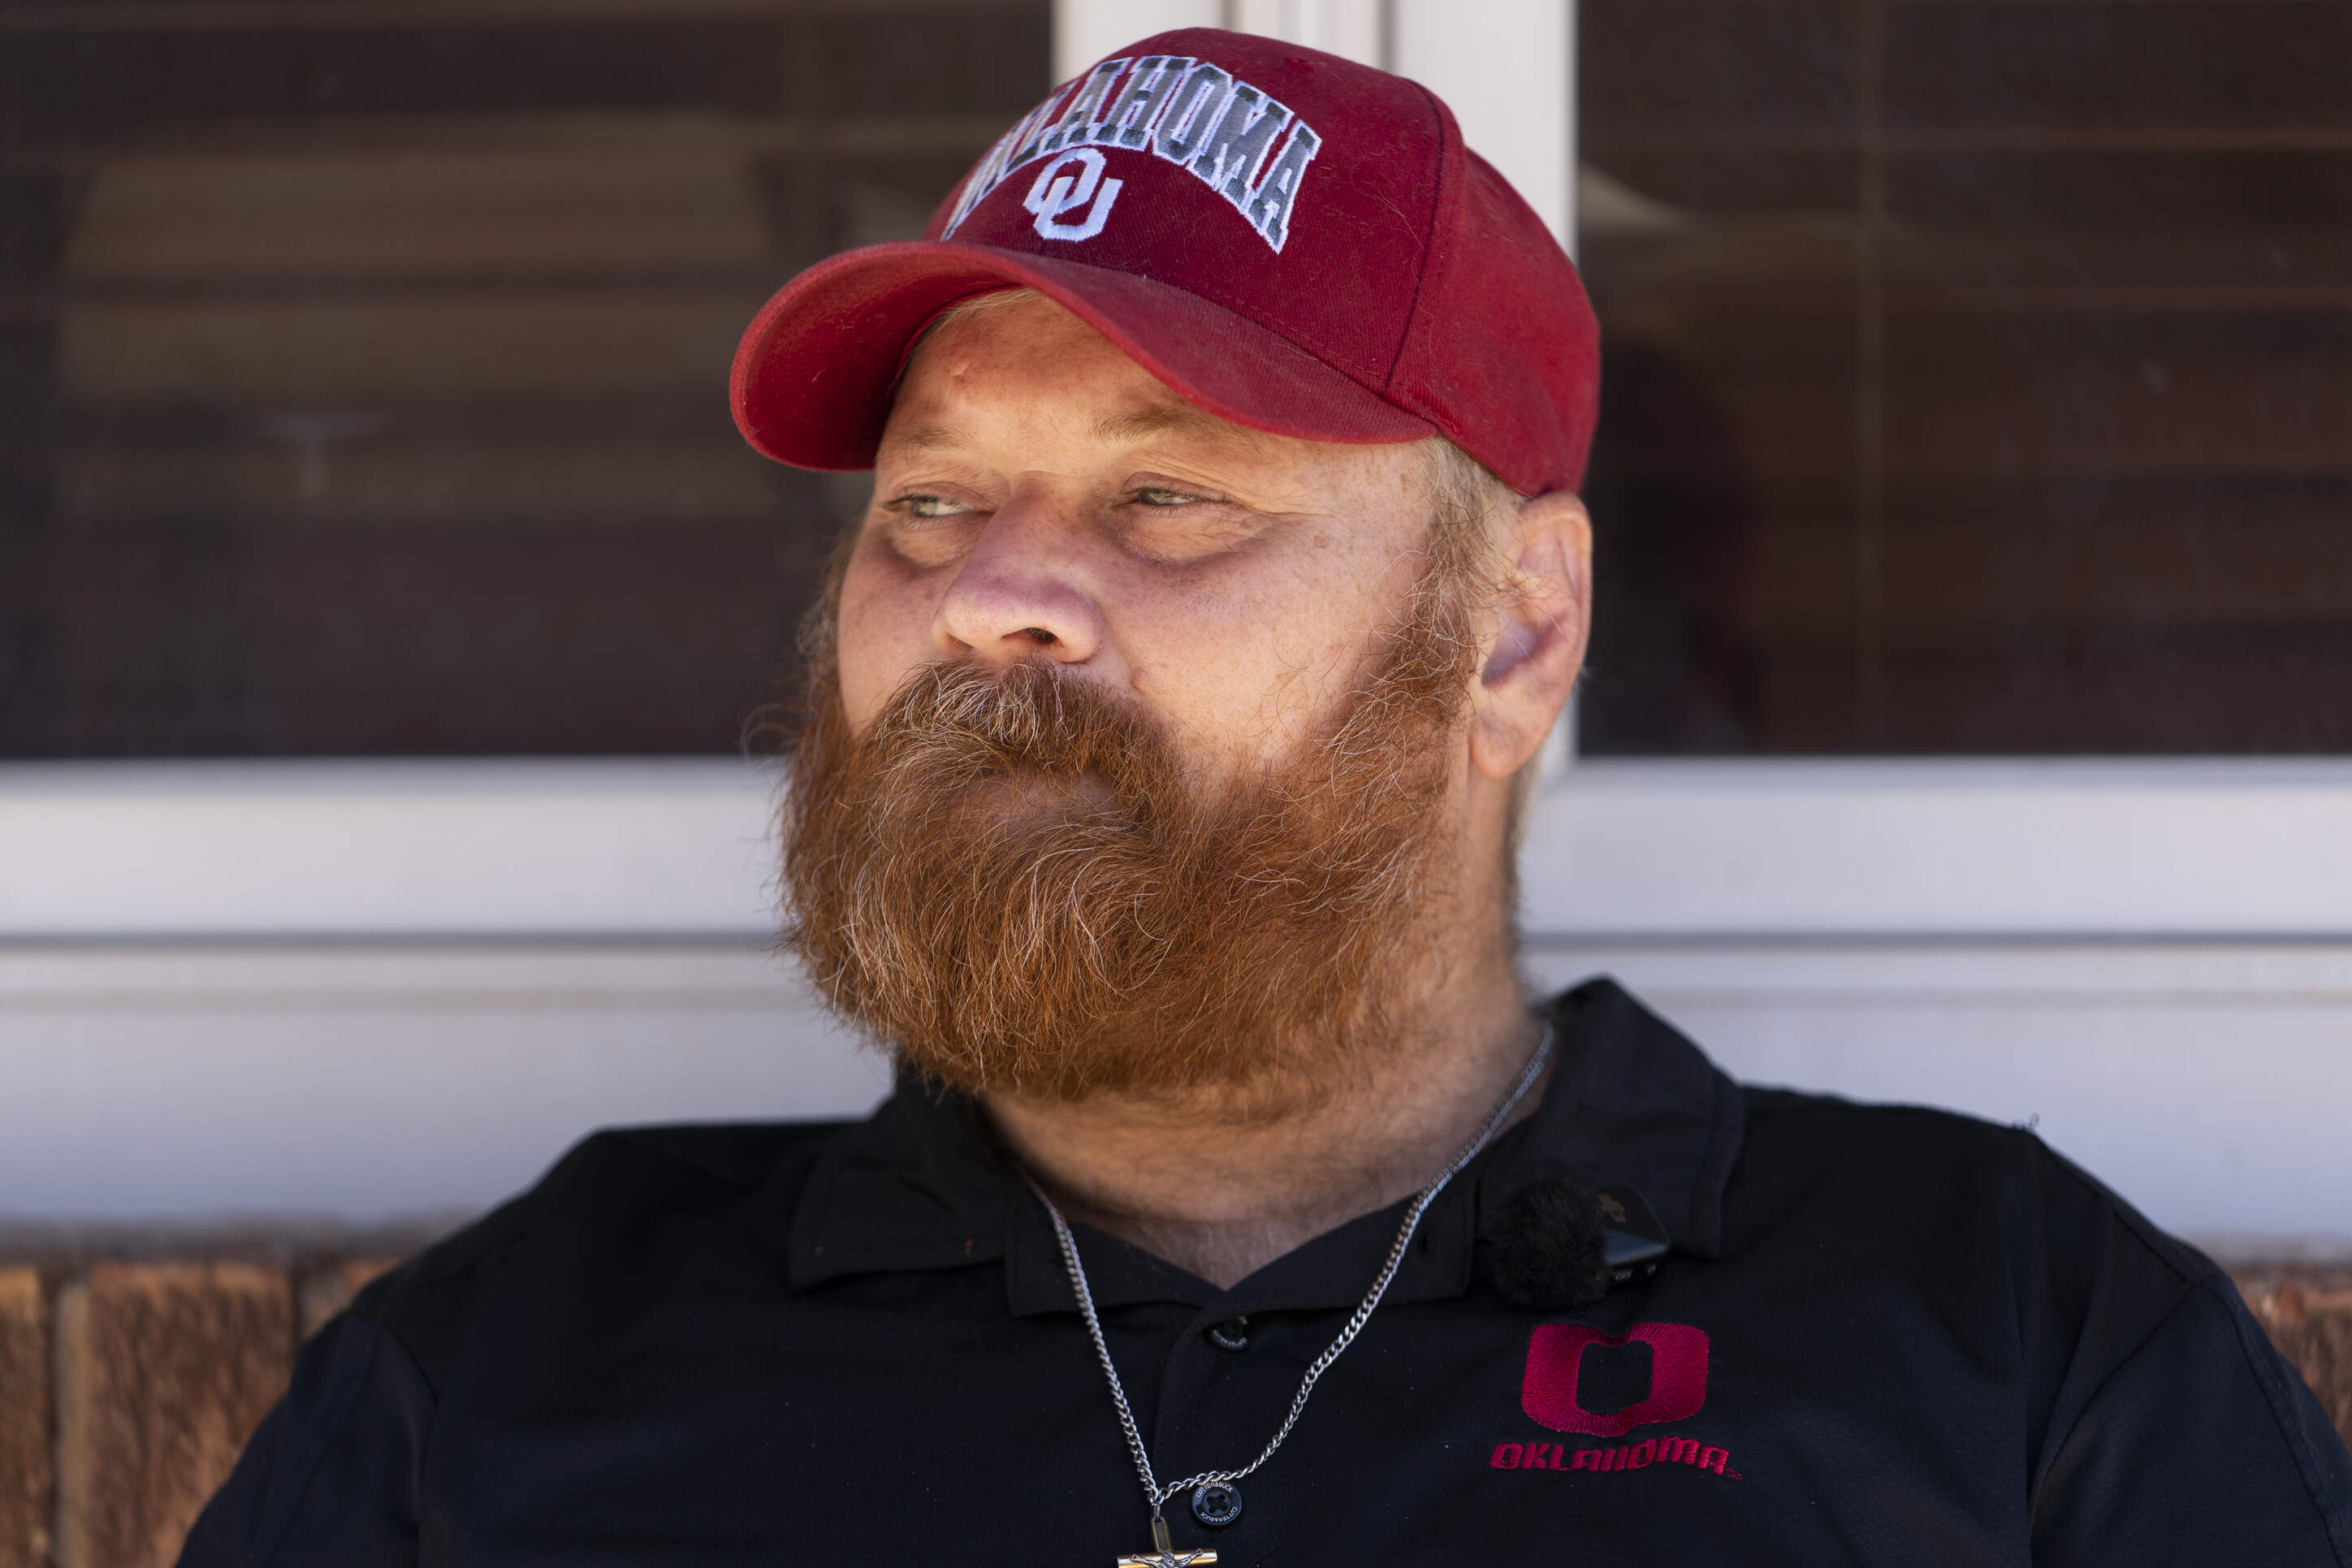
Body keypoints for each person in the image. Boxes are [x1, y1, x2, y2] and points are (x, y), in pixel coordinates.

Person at [180, 28, 2350, 1567]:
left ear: (1515, 630)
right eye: (929, 501)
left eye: (1167, 496)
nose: (994, 600)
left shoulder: (1994, 1340)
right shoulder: (515, 1370)